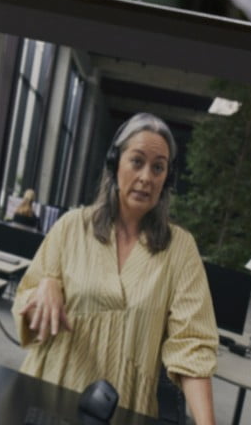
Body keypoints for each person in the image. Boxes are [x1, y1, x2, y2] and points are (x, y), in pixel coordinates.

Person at [14, 113, 220, 425]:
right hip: (51, 394)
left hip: (125, 410)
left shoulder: (180, 250)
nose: (146, 177)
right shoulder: (72, 227)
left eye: (158, 167)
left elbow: (192, 345)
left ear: (167, 178)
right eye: (136, 161)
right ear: (115, 164)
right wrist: (45, 286)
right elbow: (27, 307)